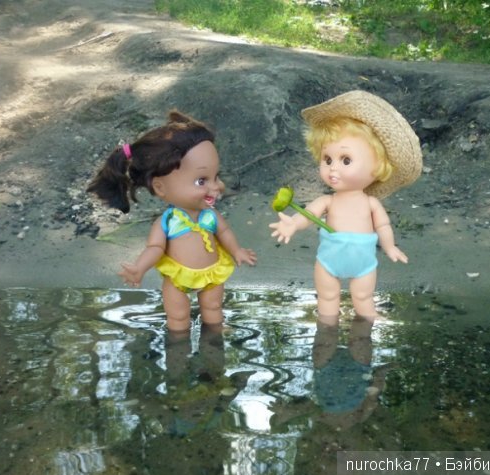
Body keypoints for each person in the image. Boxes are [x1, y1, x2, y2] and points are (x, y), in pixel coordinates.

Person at [88, 110, 257, 331]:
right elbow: (155, 248)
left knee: (214, 307)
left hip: (212, 272)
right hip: (177, 277)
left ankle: (215, 336)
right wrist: (140, 267)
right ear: (160, 187)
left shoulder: (210, 215)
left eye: (216, 177)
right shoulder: (167, 222)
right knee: (177, 316)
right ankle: (177, 342)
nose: (216, 187)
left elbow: (224, 233)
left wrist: (236, 251)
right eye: (201, 181)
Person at [270, 90, 422, 320]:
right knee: (327, 298)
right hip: (328, 262)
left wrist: (390, 247)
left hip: (364, 264)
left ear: (377, 167)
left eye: (346, 160)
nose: (333, 168)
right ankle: (327, 327)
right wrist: (293, 224)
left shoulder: (371, 203)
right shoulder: (327, 201)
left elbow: (383, 226)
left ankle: (367, 322)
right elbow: (309, 214)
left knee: (363, 297)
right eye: (327, 159)